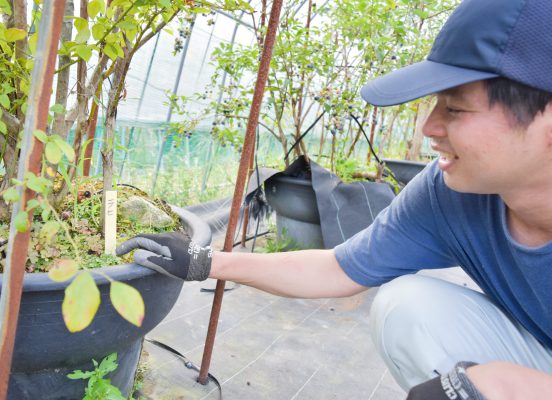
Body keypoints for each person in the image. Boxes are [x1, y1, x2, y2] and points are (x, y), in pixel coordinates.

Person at [117, 0, 552, 398]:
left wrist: (511, 385)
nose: (428, 128)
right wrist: (206, 261)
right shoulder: (450, 194)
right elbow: (340, 267)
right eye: (435, 104)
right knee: (409, 308)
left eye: (455, 109)